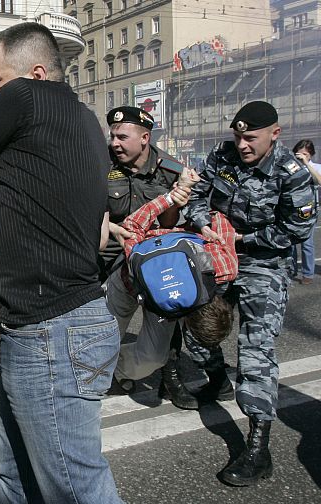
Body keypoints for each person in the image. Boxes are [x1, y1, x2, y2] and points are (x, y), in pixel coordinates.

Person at [0, 22, 123, 503]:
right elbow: (96, 232)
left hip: (49, 331)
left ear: (35, 74)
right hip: (55, 325)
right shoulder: (86, 121)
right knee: (14, 475)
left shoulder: (20, 100)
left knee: (75, 488)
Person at [184, 101, 317, 486]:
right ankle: (216, 379)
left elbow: (298, 228)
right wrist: (203, 221)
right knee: (197, 327)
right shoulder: (222, 155)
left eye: (250, 137)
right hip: (218, 255)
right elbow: (197, 195)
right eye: (238, 136)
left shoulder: (291, 173)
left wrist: (246, 237)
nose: (242, 144)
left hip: (265, 264)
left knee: (255, 351)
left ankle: (258, 447)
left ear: (274, 134)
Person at [101, 106, 197, 409]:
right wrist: (110, 227)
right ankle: (101, 373)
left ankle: (170, 377)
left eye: (122, 136)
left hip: (151, 259)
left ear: (145, 138)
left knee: (167, 320)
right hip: (107, 254)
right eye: (112, 135)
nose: (115, 142)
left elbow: (170, 225)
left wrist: (177, 200)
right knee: (101, 326)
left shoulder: (171, 170)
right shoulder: (101, 162)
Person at [110, 167, 237, 382]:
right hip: (127, 282)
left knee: (153, 357)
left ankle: (112, 369)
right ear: (186, 319)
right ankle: (98, 363)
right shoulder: (222, 267)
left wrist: (173, 201)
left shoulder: (227, 268)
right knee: (103, 338)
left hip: (149, 266)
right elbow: (132, 228)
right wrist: (173, 198)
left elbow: (219, 220)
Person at [290, 139, 320, 284]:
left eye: (305, 154)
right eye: (298, 153)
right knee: (291, 243)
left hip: (308, 210)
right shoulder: (291, 167)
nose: (301, 156)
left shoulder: (315, 167)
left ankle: (308, 273)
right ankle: (292, 269)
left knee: (307, 243)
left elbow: (319, 181)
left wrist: (306, 164)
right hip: (291, 209)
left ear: (311, 154)